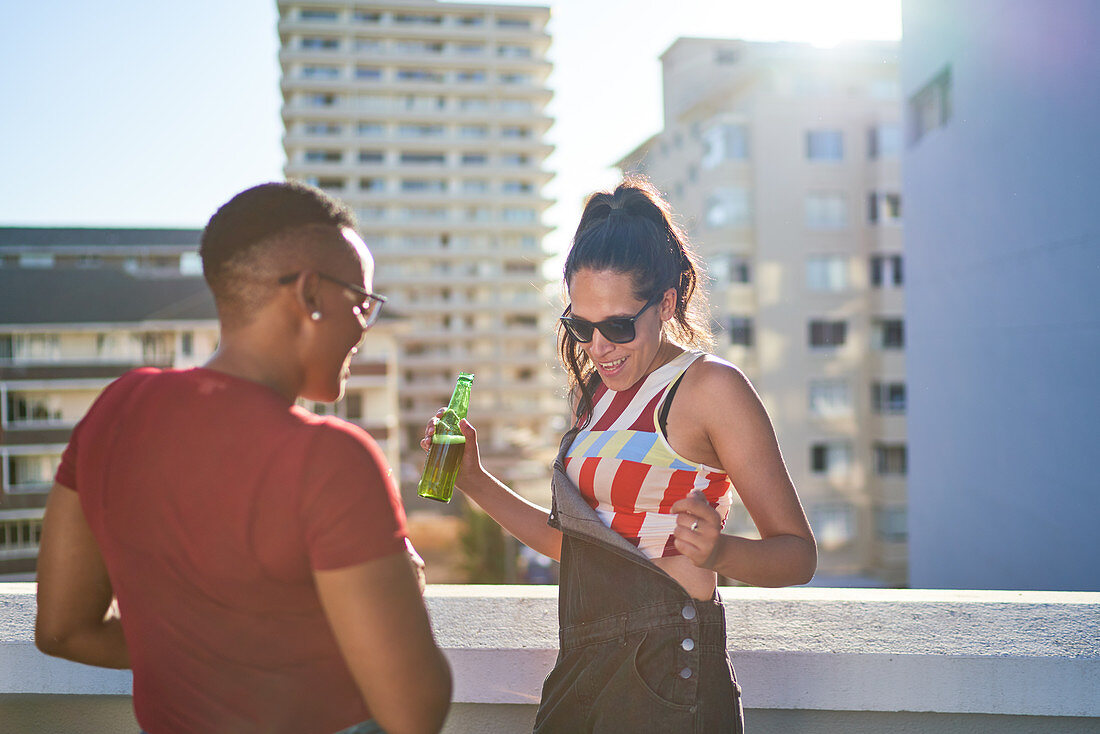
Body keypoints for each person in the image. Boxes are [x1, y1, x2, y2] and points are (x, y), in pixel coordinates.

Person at [35, 182, 452, 734]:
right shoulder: (329, 458)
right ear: (308, 295)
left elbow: (63, 631)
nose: (362, 326)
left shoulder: (117, 408)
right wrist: (404, 585)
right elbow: (413, 712)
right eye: (361, 302)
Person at [423, 177, 816, 732]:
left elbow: (798, 555)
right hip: (583, 660)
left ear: (666, 304)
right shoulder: (601, 395)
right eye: (580, 326)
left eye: (616, 326)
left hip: (667, 676)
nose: (598, 347)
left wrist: (720, 550)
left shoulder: (710, 389)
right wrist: (476, 480)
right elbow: (578, 548)